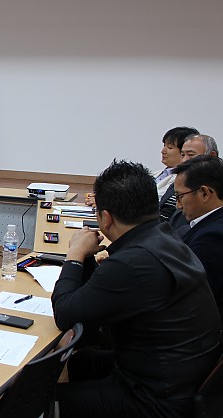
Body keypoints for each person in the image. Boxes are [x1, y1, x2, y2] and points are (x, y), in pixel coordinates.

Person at [43, 160, 221, 418]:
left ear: (106, 218)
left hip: (163, 406)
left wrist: (75, 255)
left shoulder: (133, 261)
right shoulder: (163, 237)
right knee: (81, 363)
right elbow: (98, 299)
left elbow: (66, 313)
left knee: (43, 405)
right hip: (190, 387)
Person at [85, 126, 199, 218]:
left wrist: (108, 202)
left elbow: (148, 200)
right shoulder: (157, 173)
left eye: (170, 147)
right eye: (164, 145)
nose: (163, 151)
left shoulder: (179, 180)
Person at [173, 155, 223, 316]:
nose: (178, 205)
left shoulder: (212, 238)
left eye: (180, 196)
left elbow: (187, 295)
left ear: (205, 193)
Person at [168, 134, 219, 236]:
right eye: (182, 155)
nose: (184, 160)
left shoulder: (213, 234)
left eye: (191, 155)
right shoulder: (178, 183)